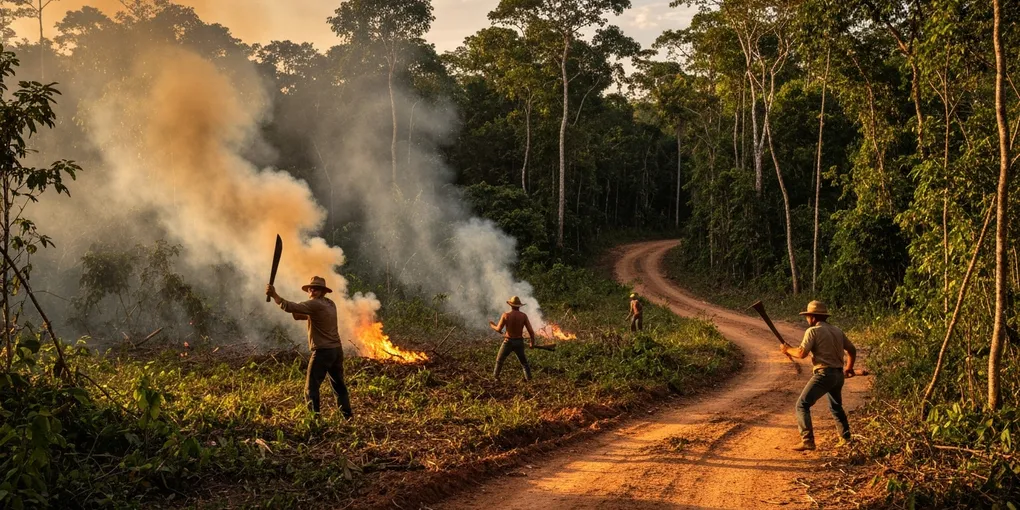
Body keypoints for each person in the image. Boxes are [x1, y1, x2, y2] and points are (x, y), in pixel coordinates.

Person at [267, 276, 353, 419]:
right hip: (336, 351)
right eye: (311, 288)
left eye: (316, 288)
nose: (312, 290)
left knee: (310, 388)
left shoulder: (315, 305)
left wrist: (274, 295)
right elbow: (301, 315)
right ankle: (347, 416)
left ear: (322, 292)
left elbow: (290, 307)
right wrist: (295, 308)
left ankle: (314, 420)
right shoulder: (330, 304)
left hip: (323, 352)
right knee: (339, 385)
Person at [781, 300, 857, 451]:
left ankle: (807, 440)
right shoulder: (837, 330)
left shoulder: (813, 331)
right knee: (836, 407)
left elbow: (801, 353)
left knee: (802, 405)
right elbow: (852, 350)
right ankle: (846, 438)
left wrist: (787, 350)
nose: (807, 319)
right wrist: (849, 368)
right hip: (838, 375)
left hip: (824, 374)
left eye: (808, 316)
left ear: (813, 317)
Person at [488, 296, 537, 381]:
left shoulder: (506, 315)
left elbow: (499, 329)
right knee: (524, 363)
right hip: (519, 342)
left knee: (499, 361)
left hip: (508, 342)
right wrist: (532, 343)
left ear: (510, 305)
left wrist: (492, 325)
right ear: (519, 306)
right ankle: (529, 380)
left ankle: (496, 378)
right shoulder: (523, 316)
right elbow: (531, 332)